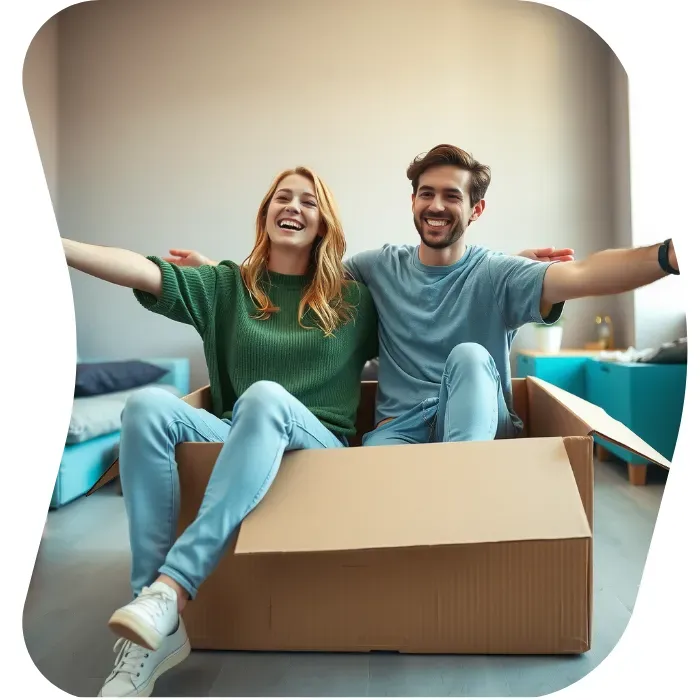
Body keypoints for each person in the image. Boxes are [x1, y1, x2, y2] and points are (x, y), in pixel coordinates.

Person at [62, 167, 378, 697]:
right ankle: (152, 626)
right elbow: (143, 271)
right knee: (145, 407)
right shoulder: (227, 285)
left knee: (264, 396)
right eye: (283, 197)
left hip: (322, 445)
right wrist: (54, 245)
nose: (293, 207)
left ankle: (174, 585)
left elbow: (430, 314)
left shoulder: (353, 301)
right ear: (266, 213)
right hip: (240, 431)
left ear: (324, 223)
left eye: (308, 201)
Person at [169, 144, 680, 448]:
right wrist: (218, 273)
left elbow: (587, 273)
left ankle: (464, 504)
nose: (437, 205)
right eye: (427, 193)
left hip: (479, 422)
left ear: (476, 210)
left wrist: (669, 256)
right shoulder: (377, 268)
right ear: (413, 201)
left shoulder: (501, 273)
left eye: (452, 195)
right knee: (376, 470)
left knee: (469, 356)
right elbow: (302, 272)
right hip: (401, 427)